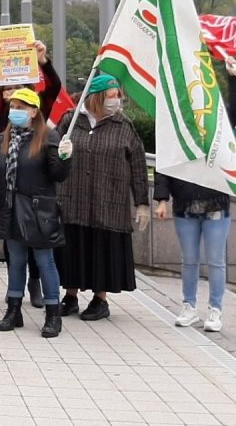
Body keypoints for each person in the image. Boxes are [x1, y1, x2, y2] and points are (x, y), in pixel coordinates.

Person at [154, 57, 236, 333]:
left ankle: (215, 310)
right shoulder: (177, 129)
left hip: (216, 204)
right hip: (184, 205)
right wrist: (161, 199)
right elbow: (164, 163)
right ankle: (189, 306)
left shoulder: (219, 127)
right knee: (189, 259)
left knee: (216, 260)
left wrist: (234, 77)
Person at [0, 88, 72, 338]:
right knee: (16, 261)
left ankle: (53, 314)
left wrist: (64, 157)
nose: (15, 112)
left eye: (21, 107)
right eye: (13, 107)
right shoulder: (1, 140)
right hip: (10, 208)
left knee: (44, 262)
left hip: (40, 212)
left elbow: (57, 175)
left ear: (34, 111)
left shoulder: (48, 137)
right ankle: (13, 310)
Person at [0, 39, 61, 308]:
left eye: (16, 90)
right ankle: (15, 298)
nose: (11, 95)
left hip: (35, 190)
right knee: (14, 246)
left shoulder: (39, 114)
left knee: (39, 248)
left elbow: (54, 87)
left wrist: (43, 60)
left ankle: (37, 286)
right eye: (6, 89)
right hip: (7, 186)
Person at [55, 73, 149, 321]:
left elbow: (138, 165)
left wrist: (142, 203)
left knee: (101, 250)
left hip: (108, 202)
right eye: (111, 96)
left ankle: (100, 299)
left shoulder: (123, 126)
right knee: (72, 247)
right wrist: (59, 154)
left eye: (117, 95)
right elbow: (52, 154)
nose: (116, 100)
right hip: (73, 200)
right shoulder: (71, 120)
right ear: (96, 98)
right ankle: (70, 295)